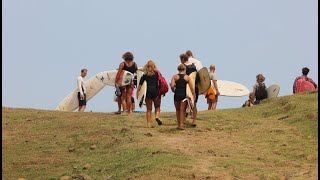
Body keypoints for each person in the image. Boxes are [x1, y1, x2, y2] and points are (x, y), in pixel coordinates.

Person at [137, 60, 162, 128]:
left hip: (148, 92)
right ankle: (157, 117)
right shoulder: (157, 73)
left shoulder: (145, 75)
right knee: (157, 107)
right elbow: (161, 82)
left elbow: (140, 85)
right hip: (156, 91)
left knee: (149, 109)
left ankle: (148, 124)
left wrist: (137, 93)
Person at [170, 64, 196, 130]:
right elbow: (191, 87)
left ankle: (179, 125)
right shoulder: (187, 77)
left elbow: (172, 85)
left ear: (178, 69)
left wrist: (173, 90)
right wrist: (193, 94)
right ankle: (181, 125)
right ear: (184, 69)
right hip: (184, 94)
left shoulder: (174, 77)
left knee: (177, 110)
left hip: (177, 94)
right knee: (183, 110)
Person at [180, 53, 198, 126]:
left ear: (183, 59)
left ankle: (184, 120)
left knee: (184, 104)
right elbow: (197, 77)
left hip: (186, 87)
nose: (180, 61)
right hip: (195, 87)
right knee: (194, 104)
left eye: (180, 59)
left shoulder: (183, 67)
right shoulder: (194, 66)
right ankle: (194, 121)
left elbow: (183, 77)